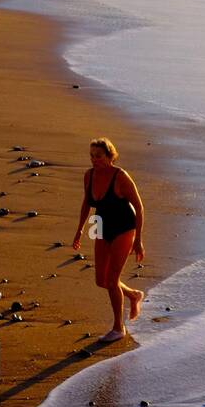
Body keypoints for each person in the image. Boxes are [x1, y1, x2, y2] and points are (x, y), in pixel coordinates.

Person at [72, 137, 146, 343]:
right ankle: (133, 295)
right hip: (100, 226)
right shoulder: (89, 175)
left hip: (124, 228)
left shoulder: (120, 176)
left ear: (110, 156)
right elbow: (87, 204)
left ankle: (118, 328)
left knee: (112, 281)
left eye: (99, 156)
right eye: (92, 156)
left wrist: (139, 239)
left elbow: (139, 207)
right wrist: (79, 230)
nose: (94, 160)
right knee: (101, 280)